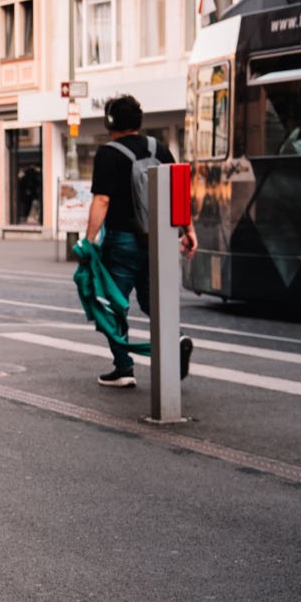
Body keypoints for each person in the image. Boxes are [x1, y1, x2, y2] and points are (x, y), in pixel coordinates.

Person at [85, 94, 198, 388]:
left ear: (109, 122)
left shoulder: (108, 154)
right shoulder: (160, 149)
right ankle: (177, 339)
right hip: (159, 240)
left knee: (113, 306)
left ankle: (124, 367)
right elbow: (178, 193)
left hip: (122, 241)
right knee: (155, 301)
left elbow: (102, 200)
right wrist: (189, 231)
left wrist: (88, 240)